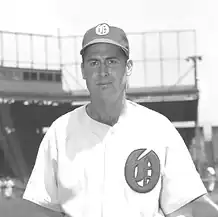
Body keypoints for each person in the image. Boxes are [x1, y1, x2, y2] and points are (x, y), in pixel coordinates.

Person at [22, 23, 218, 217]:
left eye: (112, 61)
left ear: (128, 67)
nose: (103, 71)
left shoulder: (159, 129)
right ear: (83, 70)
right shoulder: (60, 132)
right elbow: (41, 208)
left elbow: (184, 208)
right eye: (94, 62)